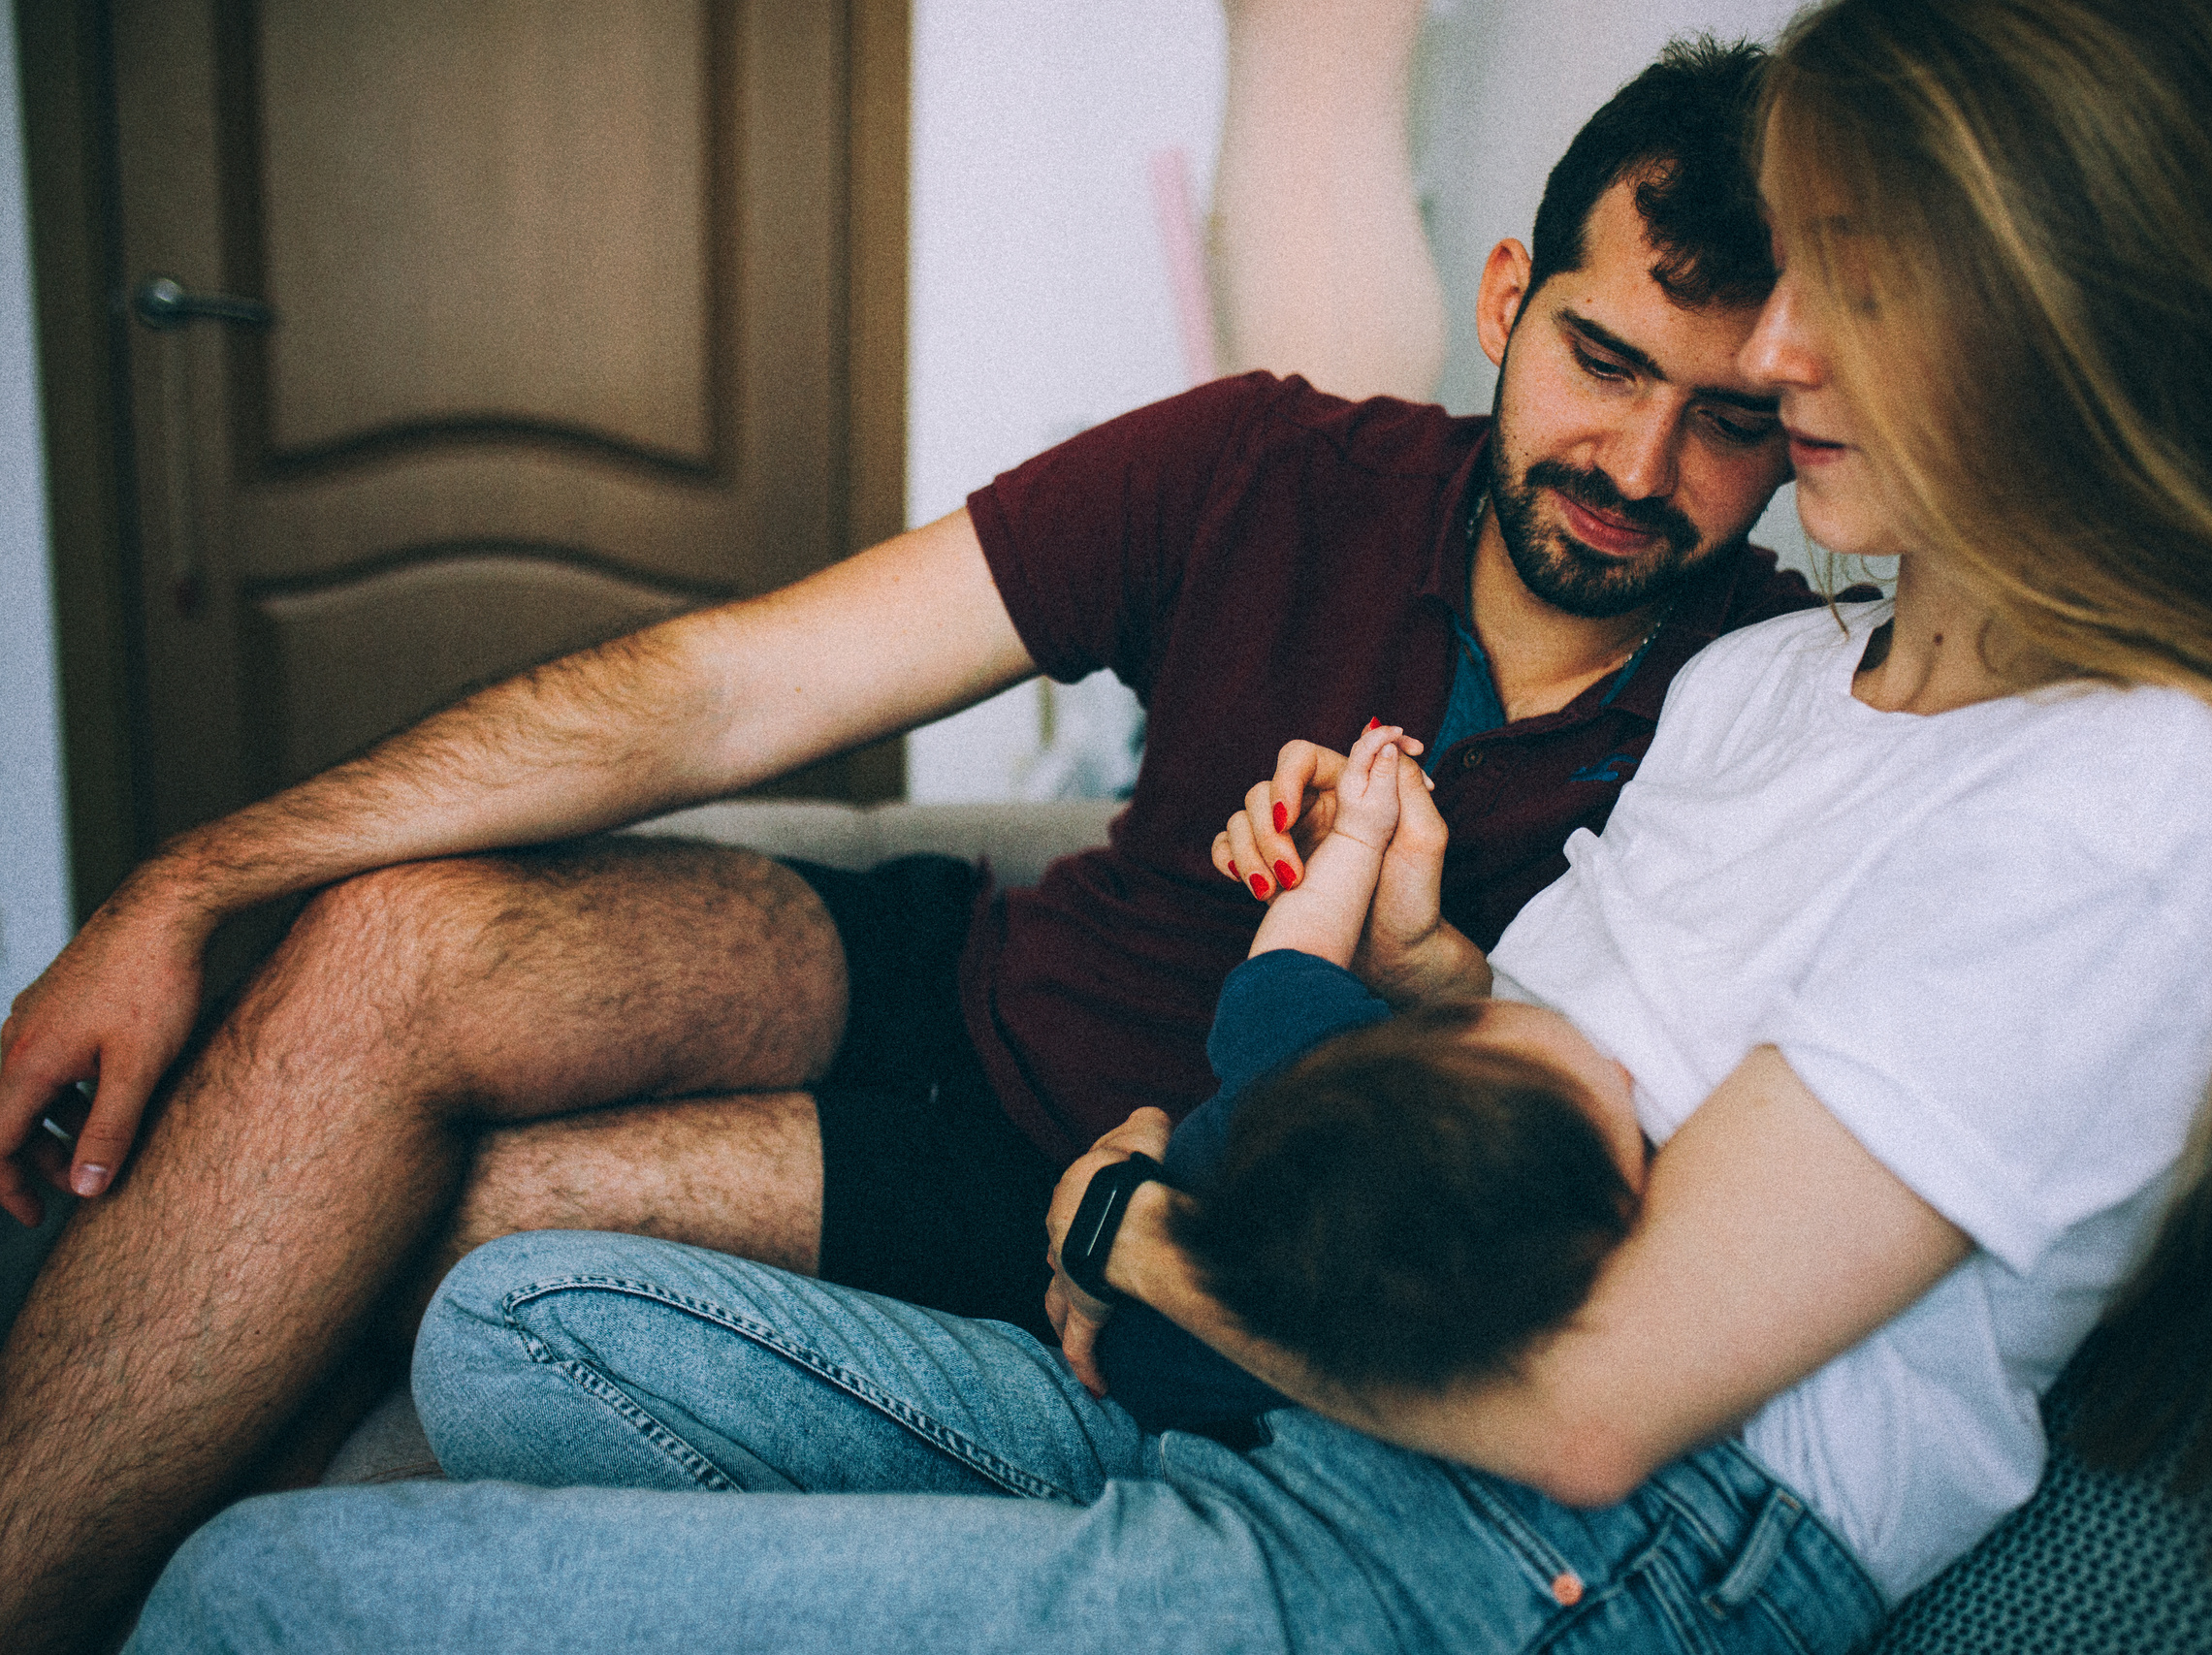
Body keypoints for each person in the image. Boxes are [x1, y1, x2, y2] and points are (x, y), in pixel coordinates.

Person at [126, 0, 2212, 1647]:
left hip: (1523, 1543)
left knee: (257, 1590)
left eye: (1833, 303)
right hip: (1295, 1344)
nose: (1754, 381)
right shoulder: (1771, 678)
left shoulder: (2139, 790)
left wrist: (1134, 1216)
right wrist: (1420, 962)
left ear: (2052, 309)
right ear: (1502, 303)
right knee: (520, 1316)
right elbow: (1565, 1058)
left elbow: (1591, 1394)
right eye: (1630, 349)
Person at [0, 40, 1812, 1652]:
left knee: (443, 1225)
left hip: (1075, 1208)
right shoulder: (1273, 462)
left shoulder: (1775, 699)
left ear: (1805, 419)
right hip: (958, 971)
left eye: (1730, 422)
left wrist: (1407, 968)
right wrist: (196, 879)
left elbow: (1627, 1193)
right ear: (1507, 295)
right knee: (391, 946)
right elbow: (722, 693)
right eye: (1602, 359)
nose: (1640, 463)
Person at [1100, 719, 1652, 1432]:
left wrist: (1360, 833)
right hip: (1236, 1418)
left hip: (1123, 1346)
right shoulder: (1447, 1311)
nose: (1627, 1071)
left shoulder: (1311, 1054)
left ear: (1455, 1032)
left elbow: (1297, 943)